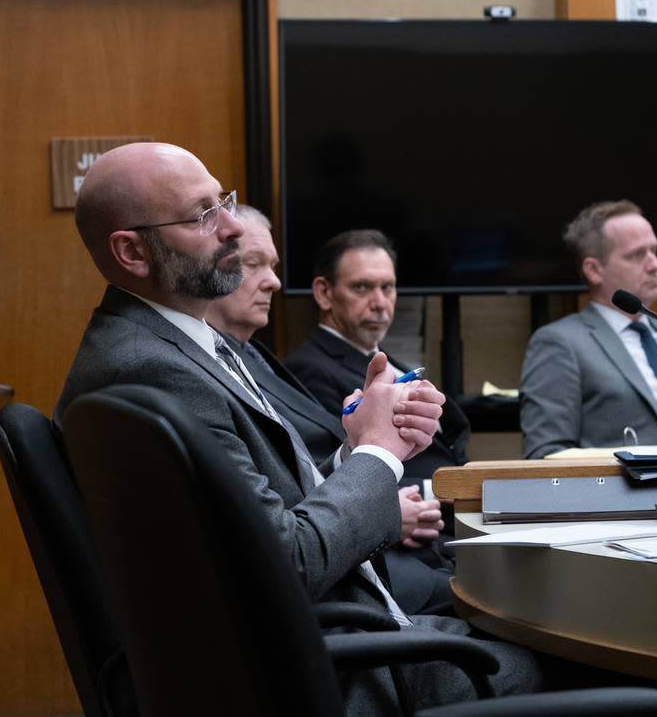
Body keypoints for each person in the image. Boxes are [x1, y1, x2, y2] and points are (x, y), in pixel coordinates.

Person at [54, 142, 542, 712]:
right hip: (340, 673)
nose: (234, 227)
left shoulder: (180, 344)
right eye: (202, 215)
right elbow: (286, 566)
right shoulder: (151, 371)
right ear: (132, 251)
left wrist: (355, 448)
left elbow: (254, 512)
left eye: (224, 202)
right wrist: (379, 458)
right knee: (590, 658)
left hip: (343, 641)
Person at [203, 205, 452, 616]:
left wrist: (358, 446)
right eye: (252, 264)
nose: (275, 282)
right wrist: (382, 492)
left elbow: (304, 471)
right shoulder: (215, 370)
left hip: (367, 557)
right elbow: (278, 527)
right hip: (343, 583)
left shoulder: (253, 357)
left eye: (388, 288)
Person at [284, 229, 470, 491]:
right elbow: (329, 471)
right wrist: (450, 490)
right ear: (324, 293)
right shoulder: (309, 369)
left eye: (388, 287)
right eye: (362, 287)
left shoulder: (390, 362)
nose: (380, 303)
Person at [520, 200, 657, 459]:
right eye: (637, 255)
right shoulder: (559, 342)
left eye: (654, 251)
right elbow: (544, 453)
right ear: (594, 270)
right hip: (646, 492)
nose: (656, 265)